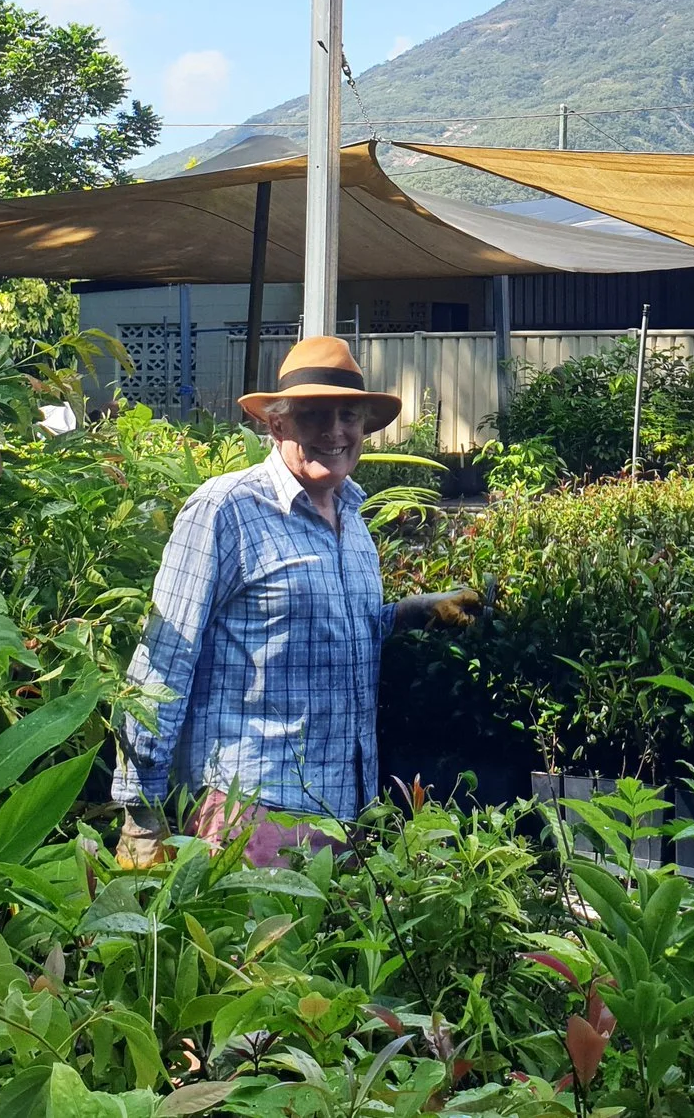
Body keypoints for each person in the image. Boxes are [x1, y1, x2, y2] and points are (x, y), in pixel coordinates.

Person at [113, 336, 483, 864]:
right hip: (250, 813)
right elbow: (163, 661)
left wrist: (416, 611)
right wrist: (141, 811)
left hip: (347, 809)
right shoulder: (226, 510)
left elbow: (327, 631)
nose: (335, 431)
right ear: (277, 424)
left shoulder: (352, 518)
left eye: (347, 415)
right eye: (314, 416)